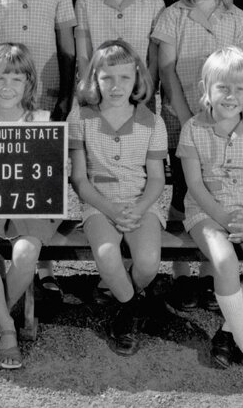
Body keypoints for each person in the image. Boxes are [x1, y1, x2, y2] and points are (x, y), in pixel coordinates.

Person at [152, 0, 243, 310]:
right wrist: (185, 116)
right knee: (183, 194)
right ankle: (182, 276)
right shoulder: (173, 16)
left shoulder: (238, 18)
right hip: (183, 119)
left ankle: (213, 273)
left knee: (216, 191)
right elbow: (166, 70)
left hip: (225, 126)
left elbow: (242, 74)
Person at [177, 46, 243, 376]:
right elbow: (194, 185)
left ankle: (226, 334)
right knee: (223, 261)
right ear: (206, 88)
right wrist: (224, 220)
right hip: (206, 212)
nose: (231, 95)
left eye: (240, 89)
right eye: (223, 87)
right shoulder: (193, 128)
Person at [68, 39, 166, 356]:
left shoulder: (152, 121)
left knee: (149, 262)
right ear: (94, 78)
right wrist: (109, 208)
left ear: (137, 77)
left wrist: (137, 209)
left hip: (141, 203)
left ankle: (125, 304)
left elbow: (156, 179)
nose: (115, 85)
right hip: (99, 203)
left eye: (124, 77)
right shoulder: (80, 118)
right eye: (107, 77)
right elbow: (80, 180)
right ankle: (131, 309)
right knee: (108, 254)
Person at [0, 43, 58, 370]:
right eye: (0, 78)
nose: (7, 87)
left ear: (29, 84)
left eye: (16, 79)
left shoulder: (42, 121)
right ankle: (8, 329)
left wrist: (53, 168)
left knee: (25, 254)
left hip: (28, 207)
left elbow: (47, 176)